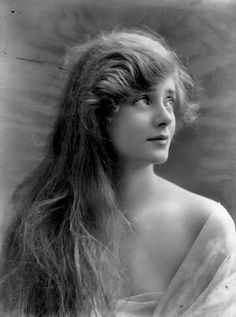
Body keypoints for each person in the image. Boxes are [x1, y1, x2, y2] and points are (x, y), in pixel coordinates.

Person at [0, 29, 236, 317]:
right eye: (144, 100)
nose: (165, 118)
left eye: (169, 100)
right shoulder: (43, 227)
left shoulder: (205, 226)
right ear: (99, 113)